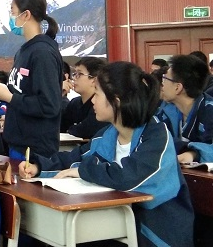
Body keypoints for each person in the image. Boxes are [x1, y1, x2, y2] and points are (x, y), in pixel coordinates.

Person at [19, 62, 194, 247]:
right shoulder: (107, 135)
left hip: (154, 232)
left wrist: (82, 171)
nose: (92, 101)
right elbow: (74, 158)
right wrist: (38, 167)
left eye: (97, 94)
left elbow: (129, 177)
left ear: (116, 101)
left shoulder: (157, 135)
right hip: (116, 226)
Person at [0, 0, 64, 159]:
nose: (11, 17)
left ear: (26, 15)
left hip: (34, 149)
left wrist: (10, 98)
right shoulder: (24, 51)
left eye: (13, 12)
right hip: (18, 143)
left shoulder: (42, 53)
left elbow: (49, 104)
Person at [156, 54, 213, 163]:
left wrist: (194, 154)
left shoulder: (209, 110)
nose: (162, 84)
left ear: (178, 87)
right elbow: (155, 140)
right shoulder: (165, 111)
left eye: (165, 79)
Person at [60, 57, 108, 138]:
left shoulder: (102, 103)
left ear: (94, 80)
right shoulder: (74, 103)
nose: (74, 78)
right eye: (74, 74)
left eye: (79, 74)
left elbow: (85, 130)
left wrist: (71, 130)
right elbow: (59, 127)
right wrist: (59, 95)